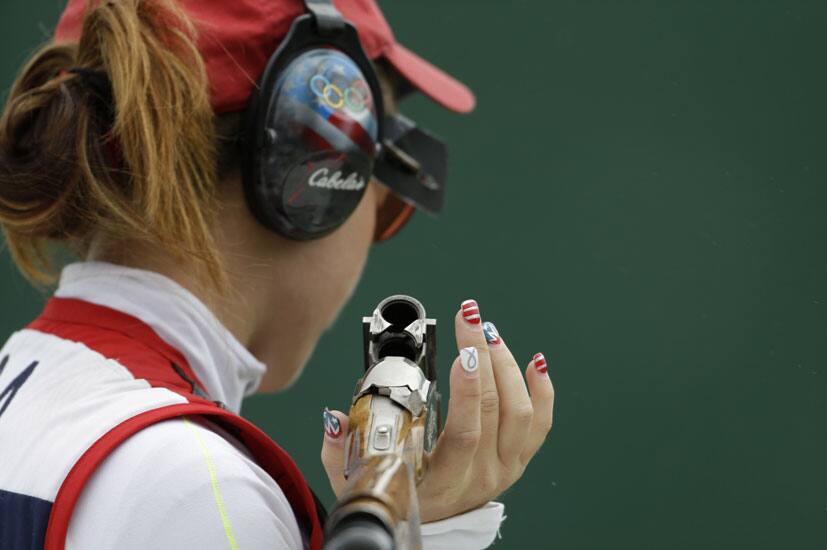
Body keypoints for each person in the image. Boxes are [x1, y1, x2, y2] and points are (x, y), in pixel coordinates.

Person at [0, 0, 555, 549]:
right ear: (315, 175)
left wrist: (418, 518)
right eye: (383, 189)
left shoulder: (26, 383)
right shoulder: (199, 489)